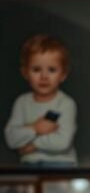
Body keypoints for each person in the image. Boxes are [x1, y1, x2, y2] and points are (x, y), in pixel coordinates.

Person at [4, 34, 77, 166]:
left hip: (61, 164)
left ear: (63, 75)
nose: (44, 76)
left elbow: (63, 141)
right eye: (36, 69)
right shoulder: (22, 102)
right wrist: (35, 128)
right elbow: (11, 138)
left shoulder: (66, 103)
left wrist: (33, 146)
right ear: (25, 72)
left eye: (52, 70)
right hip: (29, 164)